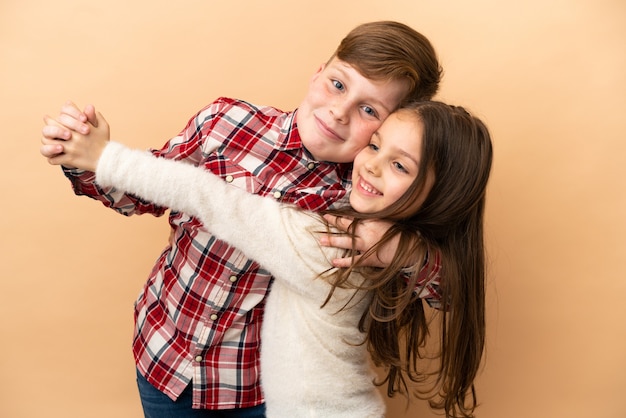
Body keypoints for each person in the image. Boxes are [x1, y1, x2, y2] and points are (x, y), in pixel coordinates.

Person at [40, 21, 443, 417]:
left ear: (391, 126)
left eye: (369, 109)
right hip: (164, 354)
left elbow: (445, 290)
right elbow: (143, 194)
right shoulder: (225, 122)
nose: (339, 112)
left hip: (259, 393)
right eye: (337, 84)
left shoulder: (370, 198)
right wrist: (90, 159)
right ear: (318, 72)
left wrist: (400, 250)